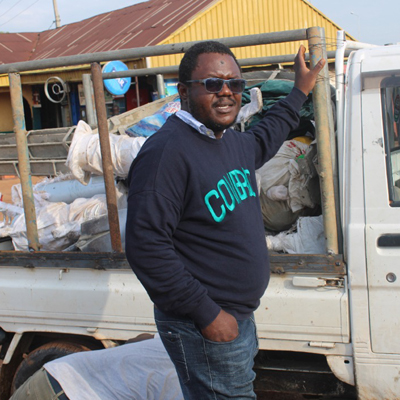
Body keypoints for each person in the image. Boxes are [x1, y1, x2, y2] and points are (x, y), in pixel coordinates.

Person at [125, 40, 325, 399]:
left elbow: (267, 135)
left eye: (235, 84)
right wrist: (208, 315)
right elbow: (146, 246)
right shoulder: (166, 154)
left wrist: (300, 91)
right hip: (205, 325)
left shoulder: (230, 141)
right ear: (184, 91)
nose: (227, 93)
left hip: (236, 318)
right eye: (213, 84)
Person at [10, 334, 183, 400]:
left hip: (52, 375)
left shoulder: (185, 343)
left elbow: (137, 339)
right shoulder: (194, 385)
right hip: (68, 392)